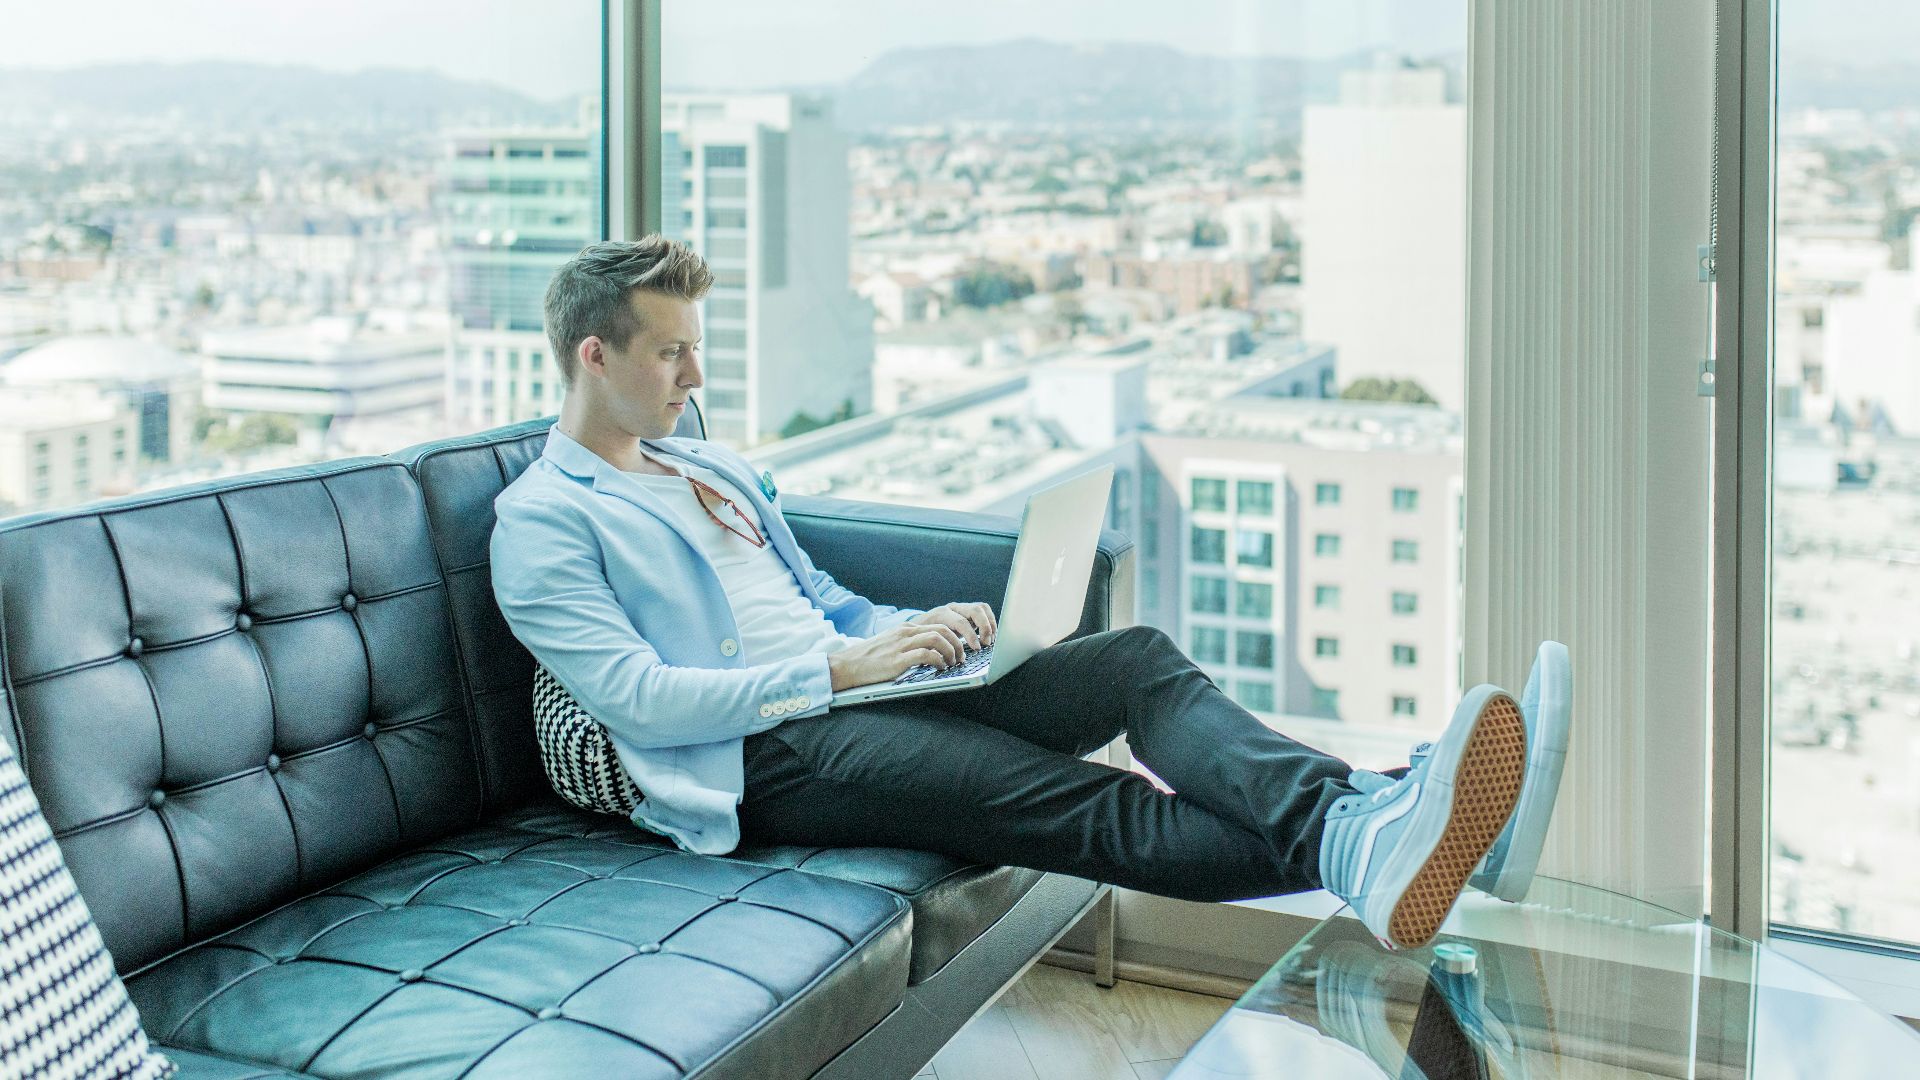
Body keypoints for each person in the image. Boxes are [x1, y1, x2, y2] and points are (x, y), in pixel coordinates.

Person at [489, 237, 1571, 950]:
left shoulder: (705, 464)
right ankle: (1395, 825)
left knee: (1136, 662)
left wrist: (907, 634)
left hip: (862, 688)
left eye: (694, 351)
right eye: (671, 354)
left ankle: (1379, 828)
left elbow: (811, 588)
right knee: (1075, 801)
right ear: (594, 355)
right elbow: (639, 699)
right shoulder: (543, 520)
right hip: (764, 754)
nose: (693, 377)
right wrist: (835, 669)